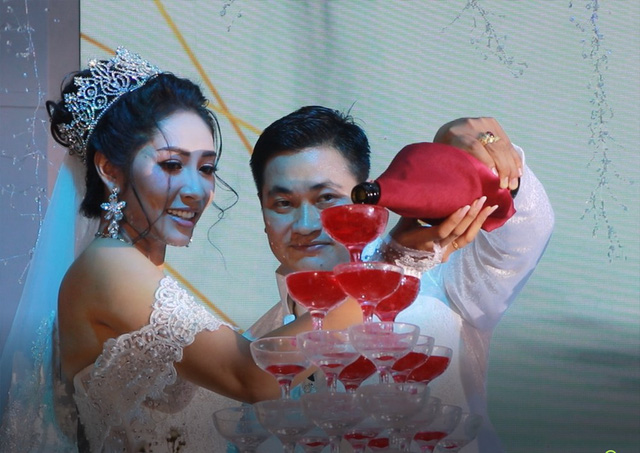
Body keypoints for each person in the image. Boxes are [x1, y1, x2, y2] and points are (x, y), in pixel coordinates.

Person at [0, 49, 363, 453]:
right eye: (172, 165)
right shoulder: (108, 265)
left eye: (206, 169)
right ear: (109, 169)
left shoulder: (130, 270)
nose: (195, 190)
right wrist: (381, 279)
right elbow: (250, 375)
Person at [245, 106, 554, 452]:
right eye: (283, 203)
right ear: (263, 213)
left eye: (326, 198)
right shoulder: (256, 349)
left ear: (367, 200)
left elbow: (524, 230)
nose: (305, 224)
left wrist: (487, 163)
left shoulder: (439, 275)